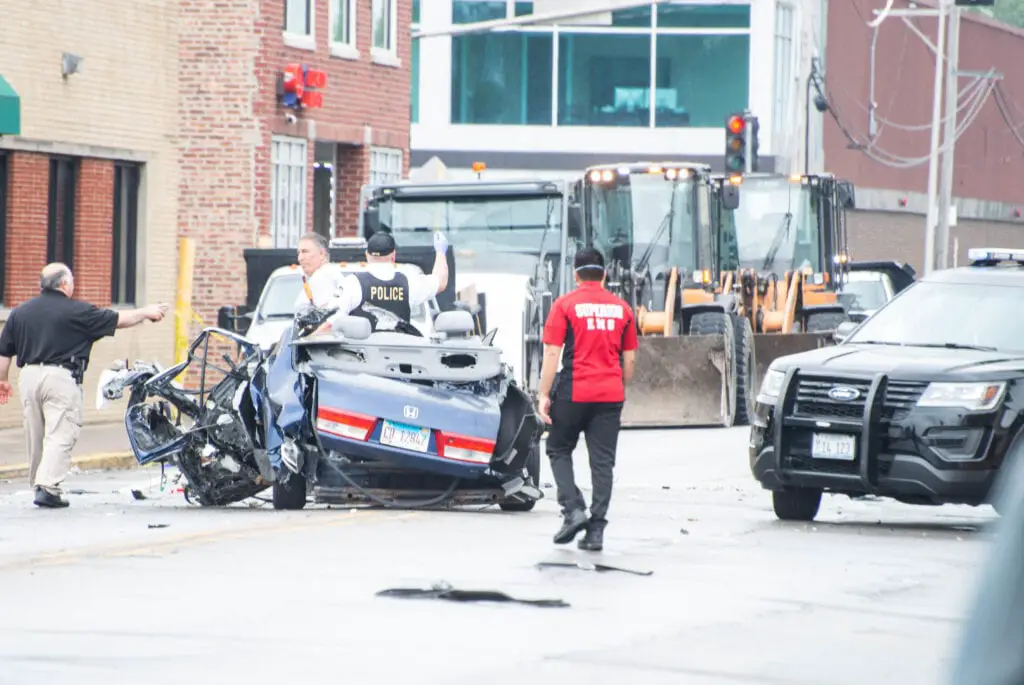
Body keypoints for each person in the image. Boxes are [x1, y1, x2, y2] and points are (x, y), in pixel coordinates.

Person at [0, 263, 168, 508]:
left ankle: (39, 482)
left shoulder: (19, 313)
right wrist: (146, 311)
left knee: (35, 434)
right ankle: (47, 487)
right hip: (61, 377)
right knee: (61, 432)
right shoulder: (78, 312)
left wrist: (3, 380)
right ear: (65, 284)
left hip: (28, 376)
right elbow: (121, 319)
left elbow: (4, 351)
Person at [536, 247, 638, 552]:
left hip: (573, 391)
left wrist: (543, 394)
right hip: (609, 393)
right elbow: (629, 360)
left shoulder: (565, 305)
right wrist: (618, 390)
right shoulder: (623, 309)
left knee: (557, 447)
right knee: (602, 463)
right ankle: (595, 532)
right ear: (605, 274)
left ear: (575, 274)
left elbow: (552, 354)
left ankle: (573, 510)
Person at [316, 230, 449, 333]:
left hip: (361, 361)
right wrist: (440, 253)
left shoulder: (352, 284)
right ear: (393, 255)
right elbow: (441, 282)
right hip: (399, 360)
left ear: (367, 255)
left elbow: (329, 323)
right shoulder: (409, 282)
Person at [294, 232, 344, 309]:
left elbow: (323, 316)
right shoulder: (330, 275)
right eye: (298, 253)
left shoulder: (322, 278)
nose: (300, 258)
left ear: (321, 253)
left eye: (305, 251)